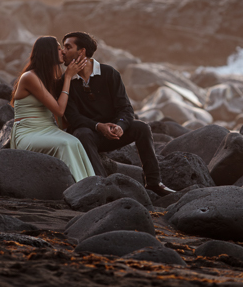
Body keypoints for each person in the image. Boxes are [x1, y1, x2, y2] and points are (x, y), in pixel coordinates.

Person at [59, 31, 175, 197]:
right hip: (89, 134)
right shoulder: (67, 80)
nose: (63, 51)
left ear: (82, 51)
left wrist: (120, 126)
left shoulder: (109, 74)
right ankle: (103, 185)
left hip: (113, 132)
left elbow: (126, 109)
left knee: (141, 127)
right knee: (81, 133)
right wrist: (98, 126)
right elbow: (73, 117)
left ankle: (154, 182)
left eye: (68, 47)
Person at [10, 36, 95, 182]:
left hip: (49, 128)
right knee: (64, 144)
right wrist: (68, 77)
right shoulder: (29, 77)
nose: (62, 51)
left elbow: (60, 118)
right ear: (48, 52)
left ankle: (90, 186)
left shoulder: (51, 77)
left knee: (75, 142)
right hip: (29, 132)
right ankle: (78, 188)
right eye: (58, 48)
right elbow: (59, 110)